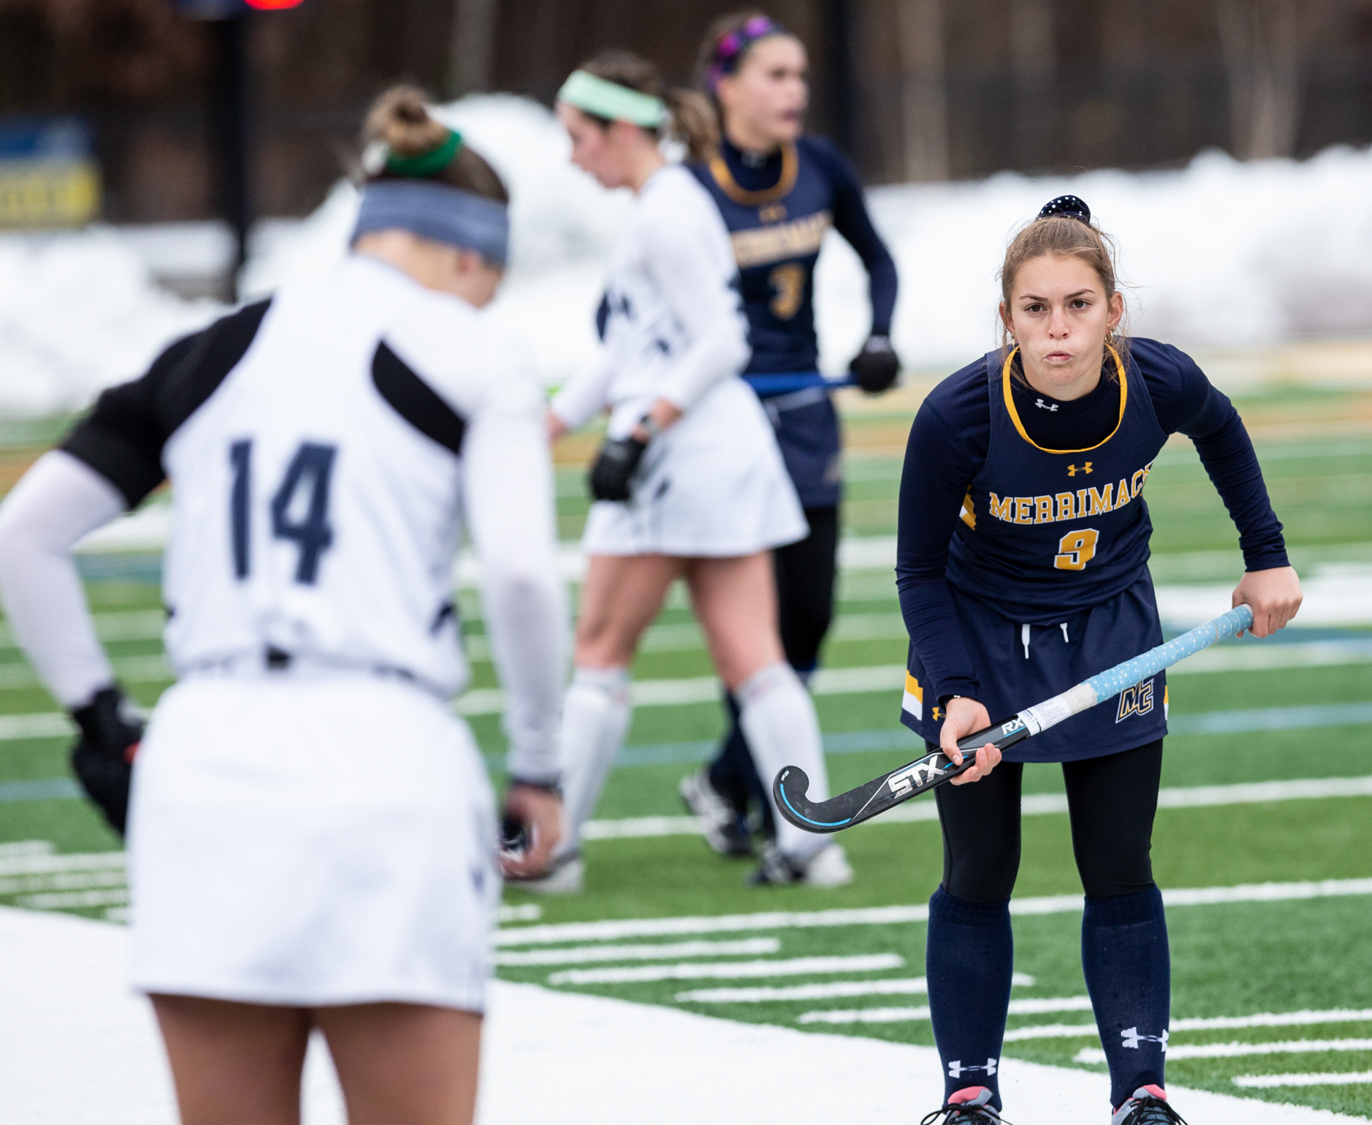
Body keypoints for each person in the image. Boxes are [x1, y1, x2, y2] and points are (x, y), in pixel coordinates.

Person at [0, 87, 569, 1124]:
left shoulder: (210, 349)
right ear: (469, 256)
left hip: (203, 766)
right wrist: (538, 764)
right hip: (385, 763)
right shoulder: (475, 352)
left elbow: (22, 535)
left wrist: (99, 718)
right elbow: (523, 573)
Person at [896, 196, 1302, 1124]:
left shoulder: (1157, 380)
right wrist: (955, 693)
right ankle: (969, 1094)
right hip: (977, 642)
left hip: (1113, 633)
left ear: (1114, 310)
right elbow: (917, 569)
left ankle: (1141, 1092)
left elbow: (1222, 428)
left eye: (1079, 305)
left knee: (1119, 862)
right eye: (1035, 308)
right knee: (979, 868)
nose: (1059, 329)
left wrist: (1266, 554)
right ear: (1007, 318)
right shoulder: (957, 414)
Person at [535, 51, 850, 890]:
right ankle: (813, 842)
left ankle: (550, 850)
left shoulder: (666, 213)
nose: (573, 157)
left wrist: (638, 432)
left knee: (600, 652)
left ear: (621, 128)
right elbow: (628, 349)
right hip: (720, 454)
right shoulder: (669, 203)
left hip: (679, 460)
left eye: (579, 137)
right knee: (756, 659)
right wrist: (555, 420)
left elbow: (721, 342)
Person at [676, 11, 902, 858]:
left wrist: (877, 335)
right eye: (775, 74)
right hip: (724, 419)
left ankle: (725, 777)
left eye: (801, 75)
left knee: (807, 615)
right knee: (751, 624)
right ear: (724, 86)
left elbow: (878, 258)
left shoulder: (822, 166)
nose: (794, 91)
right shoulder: (685, 188)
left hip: (805, 412)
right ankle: (757, 792)